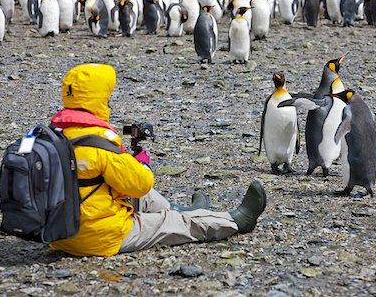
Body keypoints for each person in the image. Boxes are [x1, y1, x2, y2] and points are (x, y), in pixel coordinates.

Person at [49, 63, 267, 257]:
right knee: (174, 224)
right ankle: (234, 221)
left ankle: (187, 209)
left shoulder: (54, 135)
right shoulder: (98, 143)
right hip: (98, 237)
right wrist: (141, 164)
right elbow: (141, 184)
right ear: (98, 100)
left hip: (59, 234)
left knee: (122, 191)